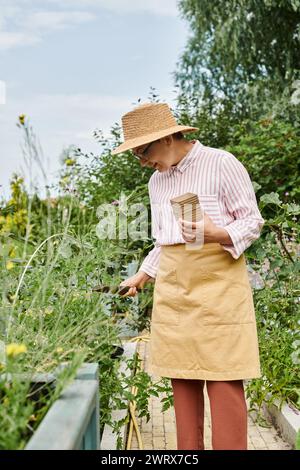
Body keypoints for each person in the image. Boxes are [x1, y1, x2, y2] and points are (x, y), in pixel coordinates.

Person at [111, 102, 265, 450]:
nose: (141, 161)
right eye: (135, 154)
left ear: (167, 138)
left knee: (224, 382)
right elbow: (164, 241)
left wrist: (218, 234)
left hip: (219, 285)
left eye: (143, 151)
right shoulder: (156, 182)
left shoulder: (221, 163)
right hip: (174, 289)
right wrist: (143, 275)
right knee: (182, 383)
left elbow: (252, 222)